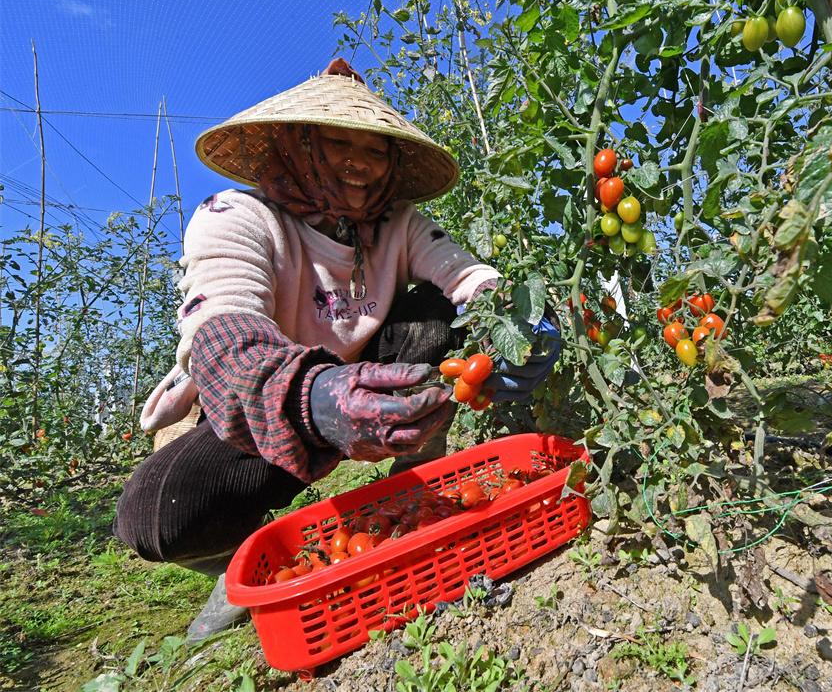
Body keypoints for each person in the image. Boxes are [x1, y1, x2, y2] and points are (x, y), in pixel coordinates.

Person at [112, 58, 560, 642]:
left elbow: (464, 276)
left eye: (374, 150)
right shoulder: (236, 217)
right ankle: (249, 558)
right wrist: (313, 397)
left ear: (392, 162)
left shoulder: (399, 224)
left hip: (371, 380)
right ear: (297, 147)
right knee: (156, 517)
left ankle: (417, 460)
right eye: (336, 144)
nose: (358, 164)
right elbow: (221, 331)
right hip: (265, 405)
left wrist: (522, 320)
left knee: (436, 305)